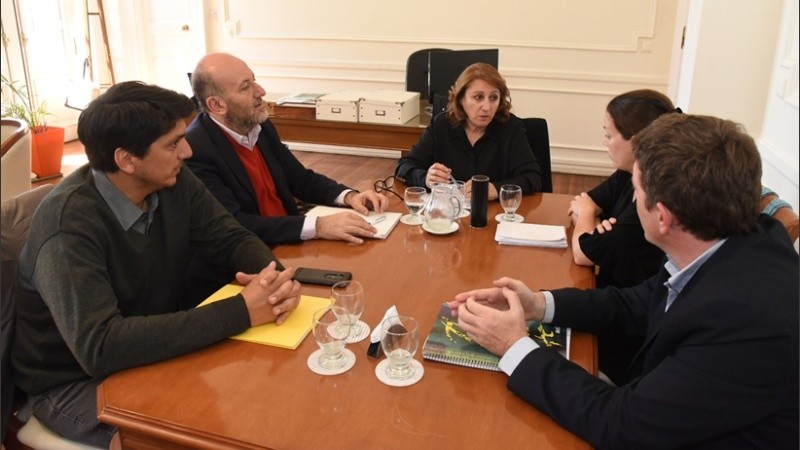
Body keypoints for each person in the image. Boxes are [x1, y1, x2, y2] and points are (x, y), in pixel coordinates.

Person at [449, 114, 799, 449]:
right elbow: (637, 302)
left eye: (635, 192)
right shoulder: (724, 240)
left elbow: (622, 426)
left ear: (662, 217)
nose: (629, 203)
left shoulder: (746, 324)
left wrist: (513, 345)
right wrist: (537, 304)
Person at [11, 81, 302, 447]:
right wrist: (244, 310)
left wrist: (272, 280)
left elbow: (230, 237)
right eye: (173, 143)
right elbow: (101, 347)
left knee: (259, 406)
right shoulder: (67, 226)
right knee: (197, 436)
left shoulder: (170, 179)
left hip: (152, 353)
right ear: (127, 160)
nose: (188, 150)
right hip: (73, 381)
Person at [186, 52, 388, 247]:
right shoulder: (195, 150)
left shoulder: (258, 124)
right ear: (217, 105)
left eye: (254, 80)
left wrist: (349, 196)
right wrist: (318, 226)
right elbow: (236, 224)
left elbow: (299, 178)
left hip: (291, 239)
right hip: (252, 255)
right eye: (246, 87)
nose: (261, 91)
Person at [567, 89, 675, 384]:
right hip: (618, 306)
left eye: (609, 134)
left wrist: (589, 216)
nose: (604, 143)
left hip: (623, 339)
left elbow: (583, 251)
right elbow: (588, 199)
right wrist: (594, 218)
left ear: (637, 142)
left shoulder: (651, 197)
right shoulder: (630, 175)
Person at [394, 63, 542, 200]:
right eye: (478, 97)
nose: (487, 107)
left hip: (496, 215)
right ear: (461, 99)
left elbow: (533, 177)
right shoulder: (441, 125)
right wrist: (425, 178)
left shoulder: (510, 127)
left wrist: (496, 189)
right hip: (449, 215)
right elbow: (404, 166)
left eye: (493, 98)